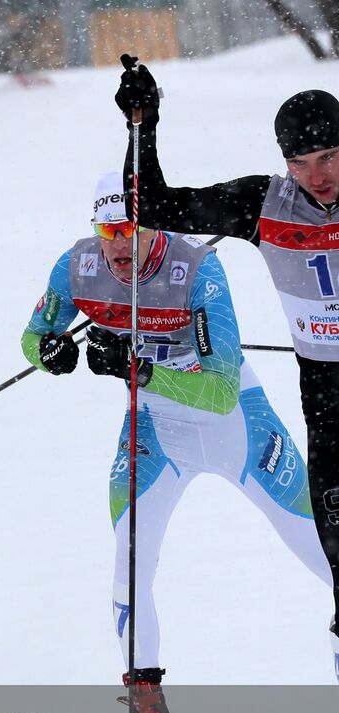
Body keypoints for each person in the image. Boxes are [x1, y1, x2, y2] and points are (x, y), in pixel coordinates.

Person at [23, 172, 332, 713]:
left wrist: (136, 371)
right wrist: (51, 353)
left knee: (325, 553)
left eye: (130, 229)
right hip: (152, 432)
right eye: (107, 229)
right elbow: (32, 338)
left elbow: (218, 391)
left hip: (235, 425)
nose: (117, 244)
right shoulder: (77, 268)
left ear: (153, 227)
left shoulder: (197, 271)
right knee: (128, 564)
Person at [115, 55, 339, 672]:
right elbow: (151, 210)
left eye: (329, 157)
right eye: (302, 162)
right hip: (327, 403)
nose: (316, 176)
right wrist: (144, 124)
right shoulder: (266, 202)